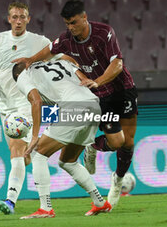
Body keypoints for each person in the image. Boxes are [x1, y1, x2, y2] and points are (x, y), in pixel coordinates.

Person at [13, 0, 138, 208]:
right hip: (96, 97)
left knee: (127, 142)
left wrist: (97, 80)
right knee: (116, 143)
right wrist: (30, 59)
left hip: (121, 89)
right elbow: (49, 51)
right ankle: (92, 150)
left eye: (73, 23)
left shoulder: (104, 32)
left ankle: (116, 180)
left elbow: (117, 64)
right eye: (67, 24)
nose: (70, 28)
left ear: (84, 18)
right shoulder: (64, 44)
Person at [0, 1, 55, 215]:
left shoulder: (39, 42)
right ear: (8, 18)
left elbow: (57, 59)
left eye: (22, 17)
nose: (18, 21)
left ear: (29, 19)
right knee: (25, 156)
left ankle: (10, 201)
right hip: (5, 106)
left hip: (27, 103)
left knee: (16, 149)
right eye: (14, 17)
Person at [12, 60, 112, 219]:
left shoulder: (24, 74)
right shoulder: (60, 63)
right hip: (93, 105)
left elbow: (36, 101)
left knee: (38, 153)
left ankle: (45, 208)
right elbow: (83, 79)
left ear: (17, 76)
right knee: (67, 161)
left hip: (74, 107)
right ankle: (100, 203)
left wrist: (34, 136)